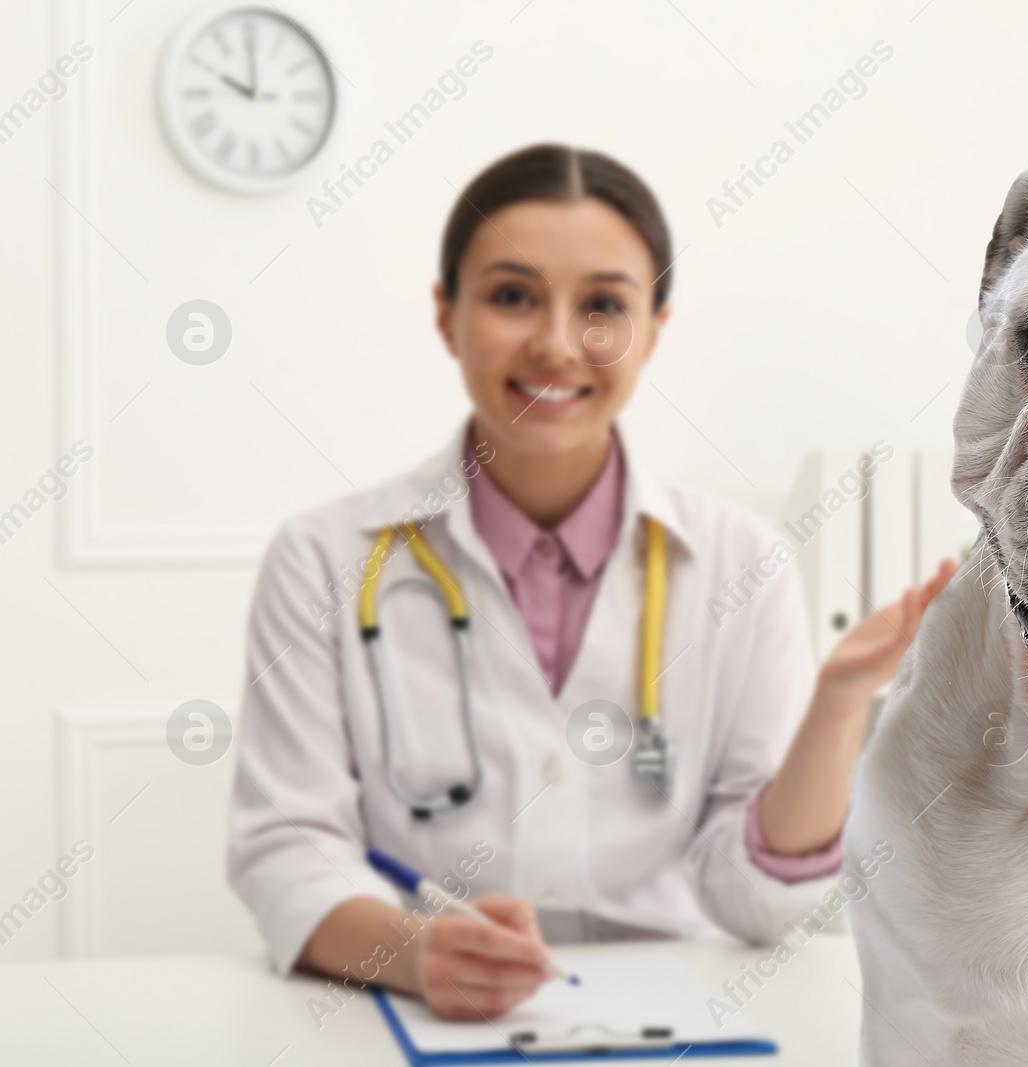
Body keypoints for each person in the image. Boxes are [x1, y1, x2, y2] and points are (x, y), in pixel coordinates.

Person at [226, 143, 956, 1020]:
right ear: (446, 315)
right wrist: (418, 954)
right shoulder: (323, 557)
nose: (557, 342)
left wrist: (839, 703)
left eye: (603, 305)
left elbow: (757, 904)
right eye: (511, 295)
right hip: (412, 1016)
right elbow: (288, 847)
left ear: (654, 329)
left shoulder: (742, 561)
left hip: (677, 1019)